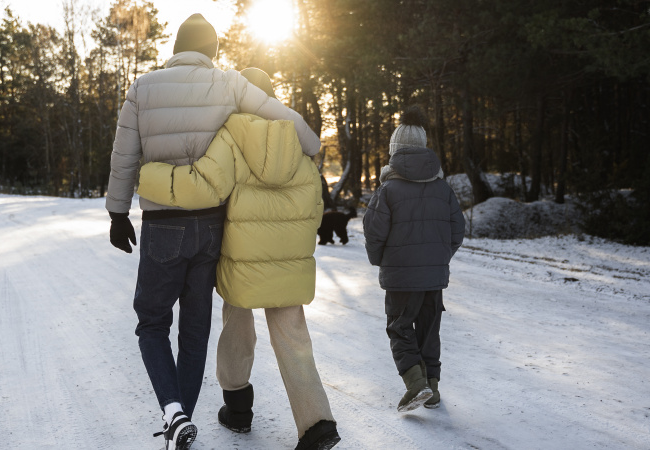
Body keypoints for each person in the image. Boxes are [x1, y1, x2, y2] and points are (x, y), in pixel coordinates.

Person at [105, 14, 321, 450]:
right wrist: (311, 144)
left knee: (152, 322)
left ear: (176, 48)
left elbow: (124, 153)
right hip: (210, 226)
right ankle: (179, 423)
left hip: (163, 224)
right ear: (213, 52)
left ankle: (174, 414)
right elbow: (278, 116)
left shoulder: (143, 87)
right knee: (196, 330)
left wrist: (117, 211)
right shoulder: (227, 84)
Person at [137, 68, 340, 450]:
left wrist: (148, 177)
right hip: (288, 259)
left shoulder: (231, 134)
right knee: (294, 337)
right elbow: (315, 205)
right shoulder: (297, 137)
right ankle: (317, 424)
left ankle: (238, 408)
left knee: (236, 326)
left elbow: (205, 185)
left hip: (240, 256)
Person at [362, 106, 465, 412]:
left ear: (394, 151)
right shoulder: (443, 188)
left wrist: (382, 260)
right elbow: (457, 230)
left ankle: (415, 384)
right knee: (429, 330)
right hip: (434, 278)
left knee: (400, 327)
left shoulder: (388, 189)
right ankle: (432, 388)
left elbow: (374, 232)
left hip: (401, 278)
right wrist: (438, 258)